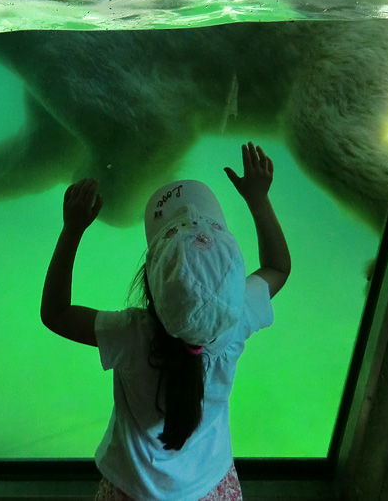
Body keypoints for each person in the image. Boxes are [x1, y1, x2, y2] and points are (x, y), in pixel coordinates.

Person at [41, 142, 291, 501]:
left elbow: (56, 313)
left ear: (149, 282)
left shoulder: (129, 335)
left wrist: (73, 229)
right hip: (211, 488)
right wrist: (258, 199)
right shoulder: (240, 315)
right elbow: (278, 267)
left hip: (132, 492)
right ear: (235, 286)